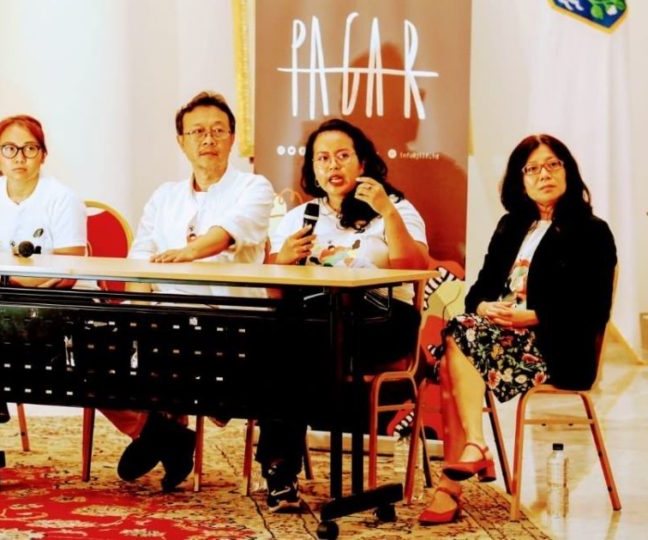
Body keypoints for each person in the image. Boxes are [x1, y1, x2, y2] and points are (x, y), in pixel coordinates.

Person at [418, 134, 616, 525]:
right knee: (460, 337)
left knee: (456, 346)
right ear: (520, 181)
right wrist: (483, 306)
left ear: (568, 172)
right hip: (499, 339)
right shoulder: (511, 227)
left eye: (553, 164)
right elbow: (477, 291)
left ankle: (460, 472)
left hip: (557, 347)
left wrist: (536, 315)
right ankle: (471, 452)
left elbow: (593, 308)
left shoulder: (591, 232)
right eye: (533, 168)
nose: (544, 174)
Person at [102, 91, 274, 491]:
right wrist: (136, 310)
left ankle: (168, 424)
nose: (208, 139)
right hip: (165, 318)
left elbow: (226, 233)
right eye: (197, 132)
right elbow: (139, 259)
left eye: (218, 131)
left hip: (230, 321)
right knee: (92, 347)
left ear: (232, 138)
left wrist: (188, 253)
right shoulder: (165, 195)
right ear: (182, 142)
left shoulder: (254, 187)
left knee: (167, 343)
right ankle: (159, 430)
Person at [260, 118, 429, 511]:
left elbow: (415, 267)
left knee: (292, 346)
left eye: (342, 156)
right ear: (313, 169)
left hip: (383, 318)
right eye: (322, 158)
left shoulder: (396, 207)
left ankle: (280, 464)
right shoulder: (302, 216)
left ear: (362, 163)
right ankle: (281, 468)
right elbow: (275, 290)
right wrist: (282, 260)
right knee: (277, 335)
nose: (332, 165)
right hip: (317, 320)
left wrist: (387, 211)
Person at [0, 115, 86, 459]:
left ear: (43, 154)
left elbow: (70, 267)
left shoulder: (61, 197)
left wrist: (7, 277)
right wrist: (10, 276)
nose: (19, 157)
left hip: (47, 301)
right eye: (9, 149)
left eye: (29, 148)